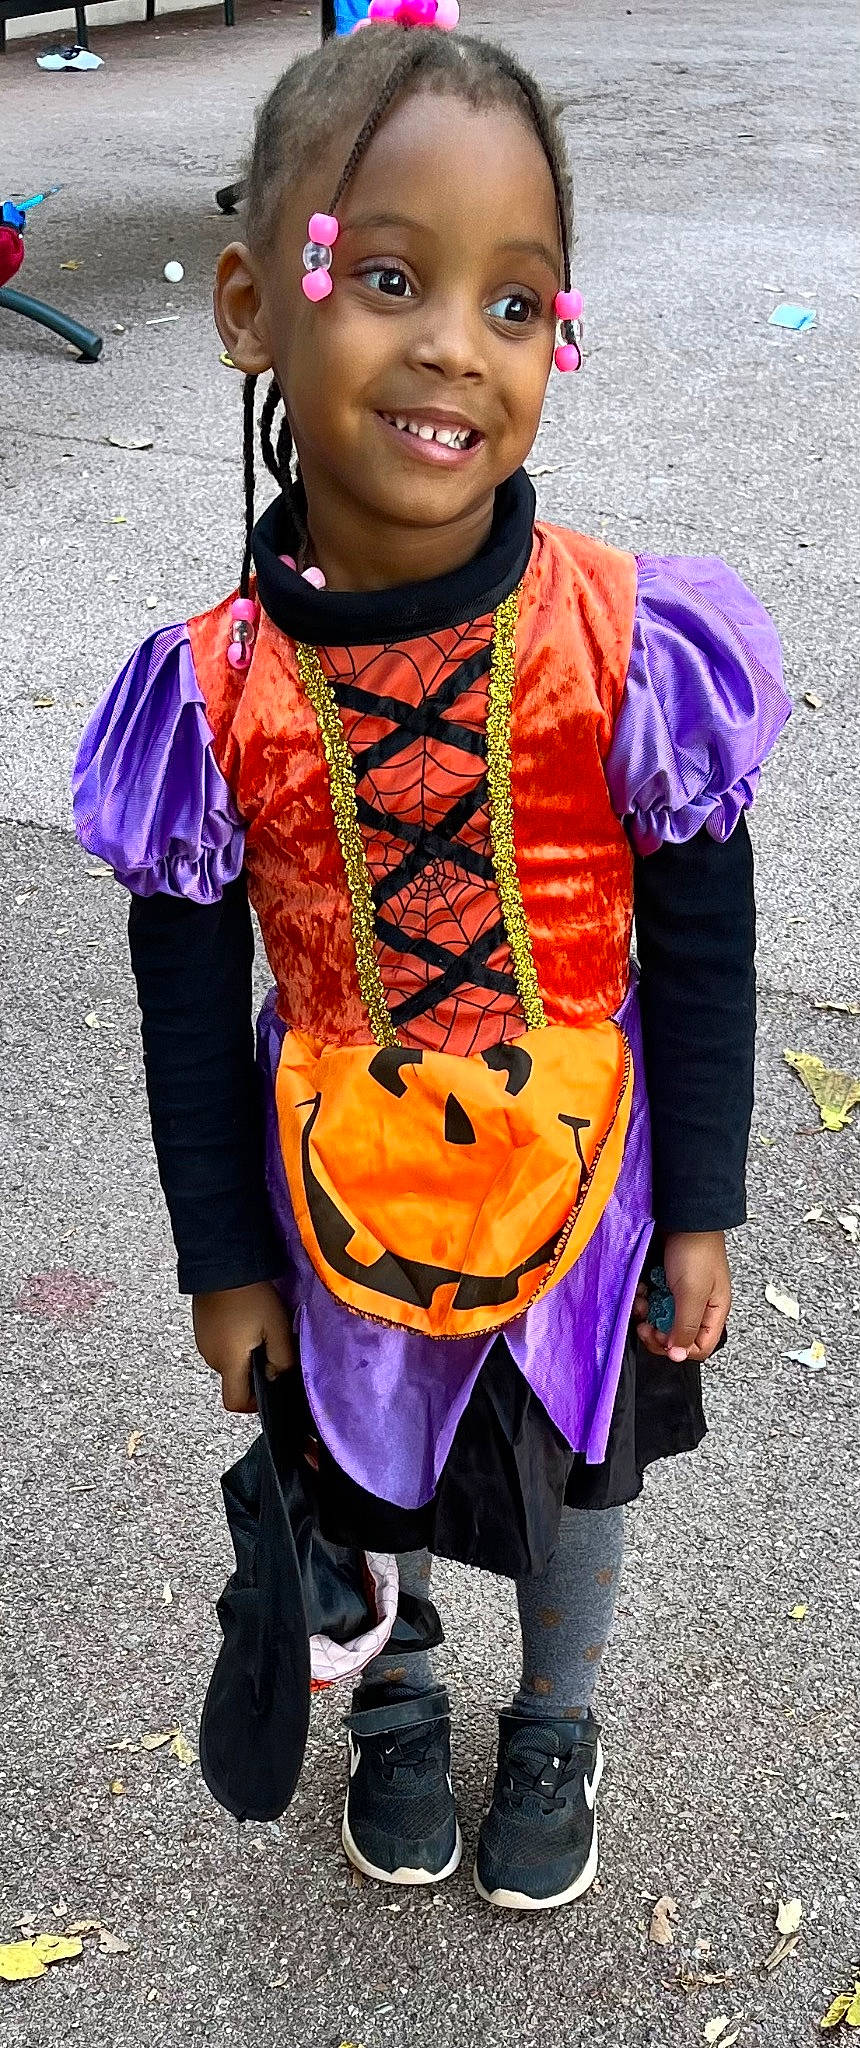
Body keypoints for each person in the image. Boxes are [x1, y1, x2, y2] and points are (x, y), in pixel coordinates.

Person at [72, 10, 790, 1913]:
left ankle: (556, 1715)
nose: (457, 344)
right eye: (386, 276)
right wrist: (225, 1263)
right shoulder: (210, 696)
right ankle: (396, 1698)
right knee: (359, 1469)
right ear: (252, 305)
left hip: (589, 1181)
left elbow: (708, 945)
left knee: (575, 1477)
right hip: (337, 1198)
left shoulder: (631, 651)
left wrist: (703, 1204)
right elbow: (178, 1009)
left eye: (520, 301)